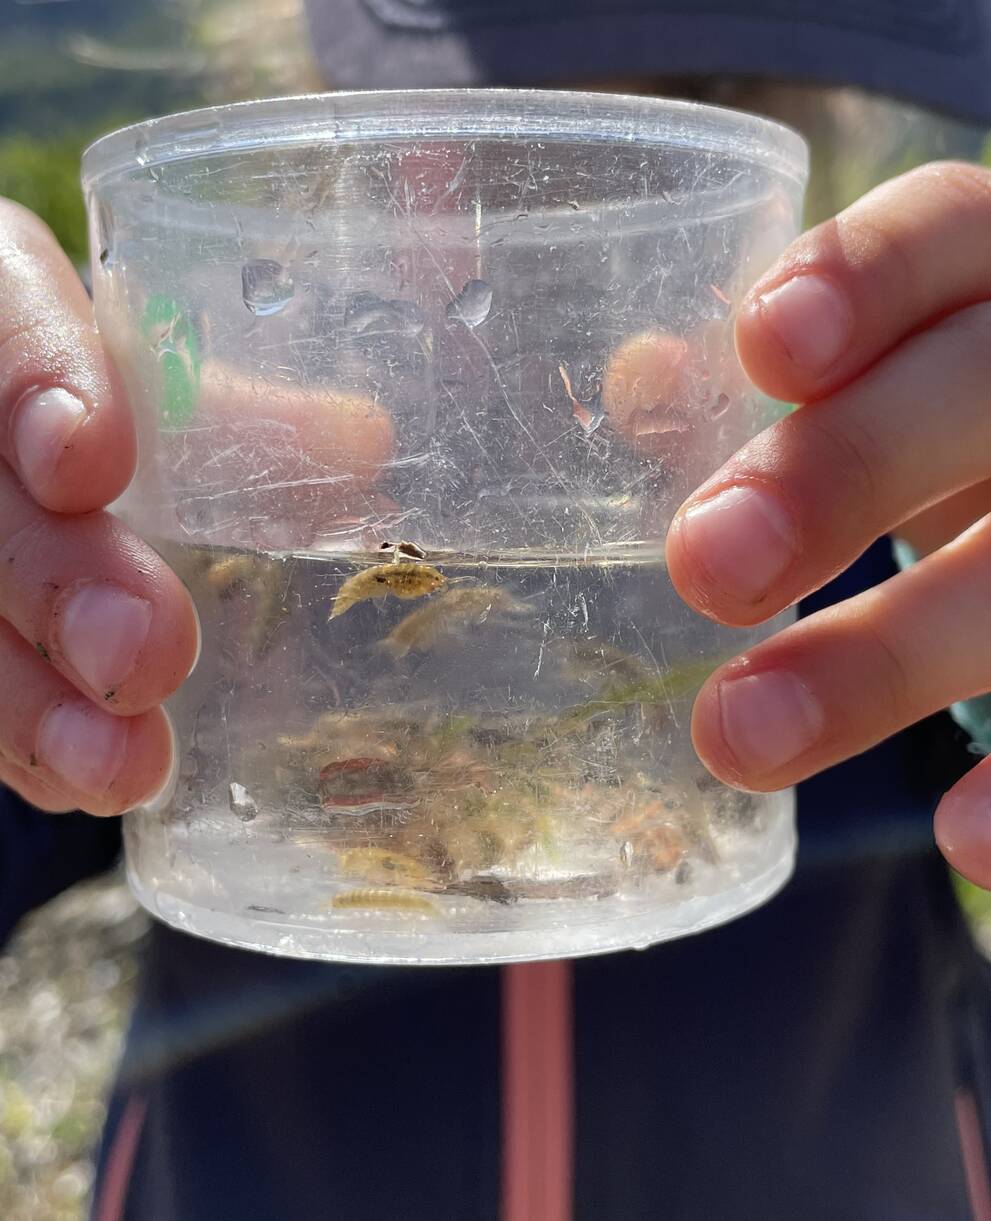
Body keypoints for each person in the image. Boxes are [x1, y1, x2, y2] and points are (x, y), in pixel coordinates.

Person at [4, 1, 991, 1217]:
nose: (543, 218)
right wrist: (41, 616)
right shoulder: (217, 436)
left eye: (691, 91)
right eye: (458, 133)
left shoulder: (843, 509)